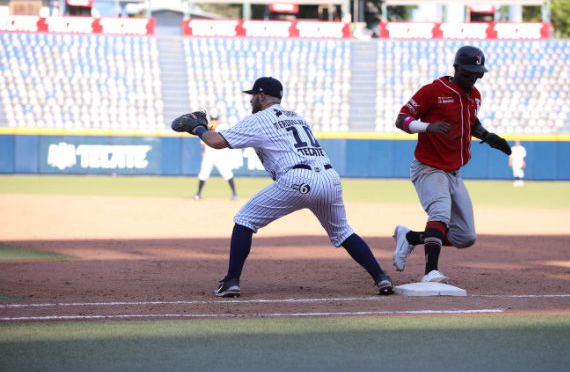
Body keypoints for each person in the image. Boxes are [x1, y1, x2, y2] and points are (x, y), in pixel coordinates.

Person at [171, 77, 394, 297]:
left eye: (252, 97)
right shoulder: (297, 117)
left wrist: (198, 128)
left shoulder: (260, 119)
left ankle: (231, 281)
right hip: (329, 178)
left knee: (244, 220)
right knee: (343, 232)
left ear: (261, 96)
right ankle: (381, 277)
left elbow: (215, 141)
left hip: (297, 179)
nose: (251, 102)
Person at [392, 46, 511, 284]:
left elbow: (471, 121)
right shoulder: (434, 90)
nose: (472, 77)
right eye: (467, 72)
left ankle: (411, 238)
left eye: (477, 73)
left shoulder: (475, 95)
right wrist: (428, 127)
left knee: (465, 236)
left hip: (454, 173)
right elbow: (401, 119)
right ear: (456, 68)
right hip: (429, 167)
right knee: (439, 213)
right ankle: (431, 272)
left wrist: (488, 137)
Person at [193, 114, 238, 201]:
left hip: (219, 154)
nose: (214, 120)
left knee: (226, 173)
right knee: (204, 173)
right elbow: (203, 142)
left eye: (215, 119)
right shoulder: (207, 127)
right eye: (213, 118)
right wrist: (203, 152)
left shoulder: (221, 127)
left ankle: (234, 194)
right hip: (210, 153)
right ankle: (198, 194)